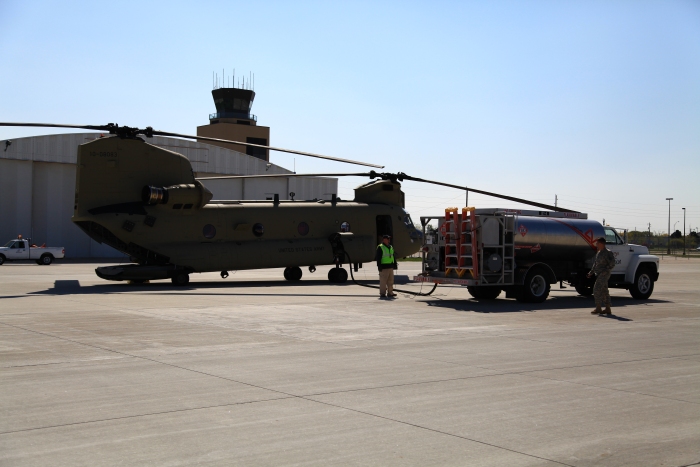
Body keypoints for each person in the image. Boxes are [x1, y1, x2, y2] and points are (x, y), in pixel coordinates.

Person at [587, 236, 616, 315]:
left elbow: (612, 263)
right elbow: (596, 264)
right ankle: (608, 308)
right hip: (599, 274)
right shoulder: (599, 252)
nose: (596, 244)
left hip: (604, 274)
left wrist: (605, 271)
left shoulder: (608, 252)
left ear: (601, 244)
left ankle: (598, 308)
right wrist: (591, 272)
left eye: (597, 243)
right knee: (604, 291)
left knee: (596, 289)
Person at [375, 234, 398, 299]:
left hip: (390, 266)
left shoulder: (390, 247)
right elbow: (378, 258)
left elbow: (393, 256)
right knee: (383, 281)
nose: (389, 240)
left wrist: (395, 264)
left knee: (391, 281)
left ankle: (390, 292)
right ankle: (382, 293)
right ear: (384, 240)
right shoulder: (380, 247)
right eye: (388, 239)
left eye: (389, 239)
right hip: (384, 267)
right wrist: (379, 266)